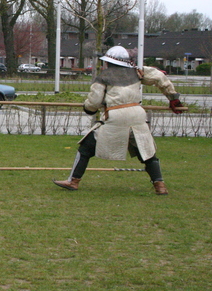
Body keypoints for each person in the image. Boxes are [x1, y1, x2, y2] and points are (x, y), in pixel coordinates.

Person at [53, 45, 184, 195]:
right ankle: (160, 186)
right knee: (146, 152)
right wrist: (173, 98)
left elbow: (94, 102)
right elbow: (160, 77)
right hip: (137, 115)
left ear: (108, 62)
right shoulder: (137, 72)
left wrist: (88, 108)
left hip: (116, 116)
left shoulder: (104, 77)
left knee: (86, 147)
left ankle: (73, 181)